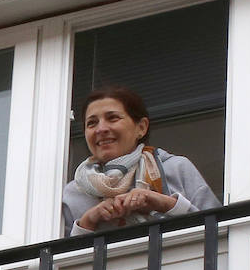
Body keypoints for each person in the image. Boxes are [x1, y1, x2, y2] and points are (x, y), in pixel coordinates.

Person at [63, 86, 219, 236]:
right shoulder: (73, 193)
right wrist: (88, 221)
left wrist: (166, 204)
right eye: (92, 123)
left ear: (141, 128)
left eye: (113, 118)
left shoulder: (176, 168)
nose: (101, 129)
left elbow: (219, 234)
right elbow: (58, 260)